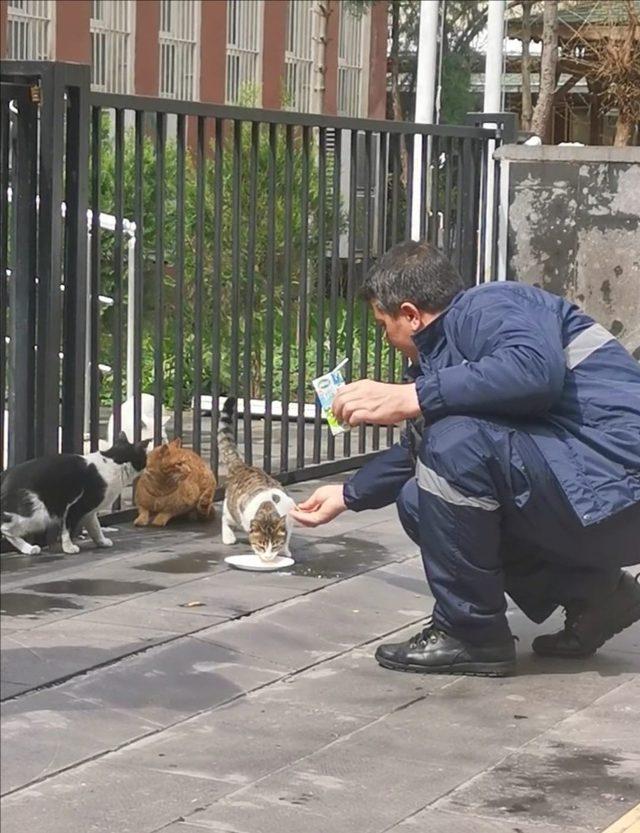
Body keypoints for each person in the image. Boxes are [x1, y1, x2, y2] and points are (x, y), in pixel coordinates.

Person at [290, 240, 640, 677]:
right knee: (421, 499)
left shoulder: (490, 304)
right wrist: (347, 494)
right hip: (593, 494)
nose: (387, 339)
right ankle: (601, 598)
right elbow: (425, 451)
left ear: (411, 314)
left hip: (620, 485)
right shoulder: (450, 357)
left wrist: (413, 395)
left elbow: (533, 372)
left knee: (455, 444)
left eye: (384, 325)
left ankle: (470, 635)